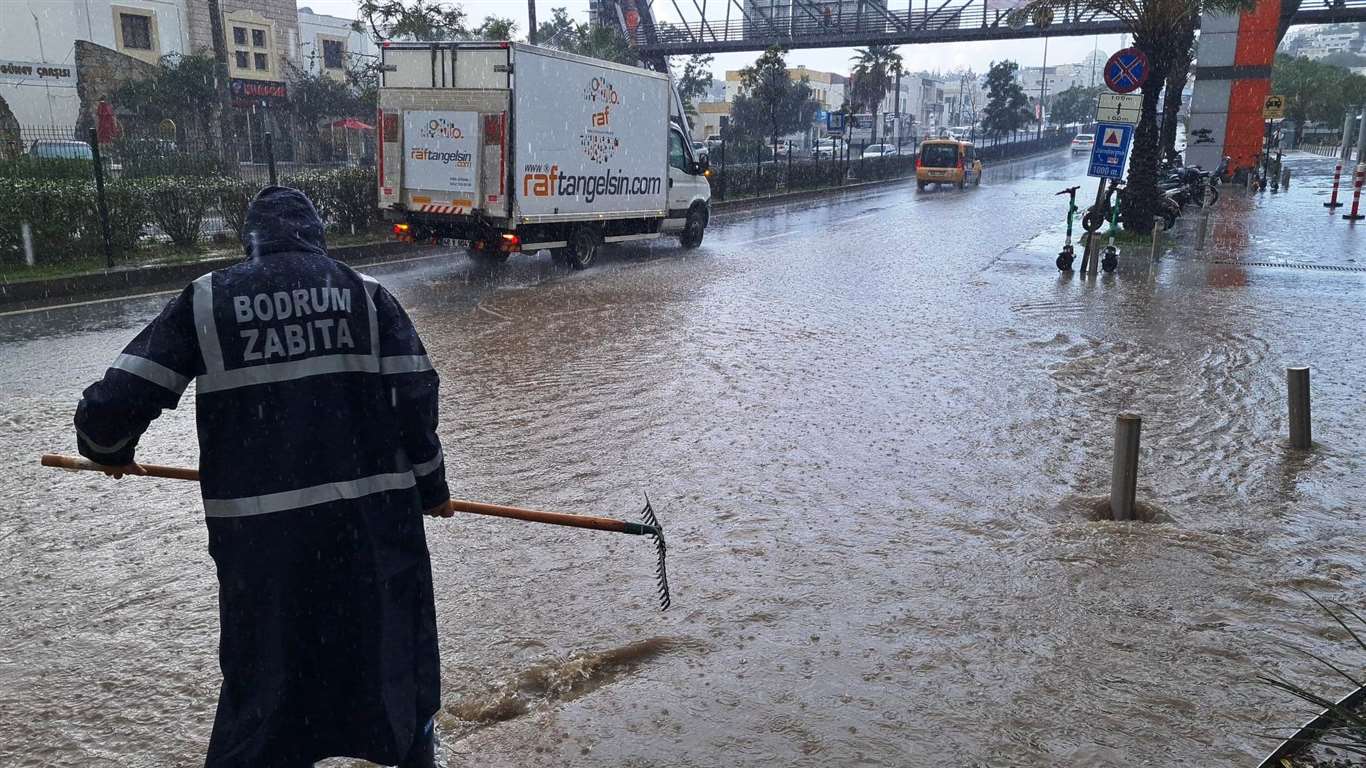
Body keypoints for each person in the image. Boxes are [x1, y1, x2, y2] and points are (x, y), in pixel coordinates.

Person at [73, 186, 451, 767]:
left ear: (251, 241)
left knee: (267, 687)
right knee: (391, 667)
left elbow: (113, 403)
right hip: (371, 536)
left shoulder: (208, 301)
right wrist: (432, 487)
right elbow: (416, 399)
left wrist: (109, 449)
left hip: (263, 548)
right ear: (316, 237)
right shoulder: (370, 299)